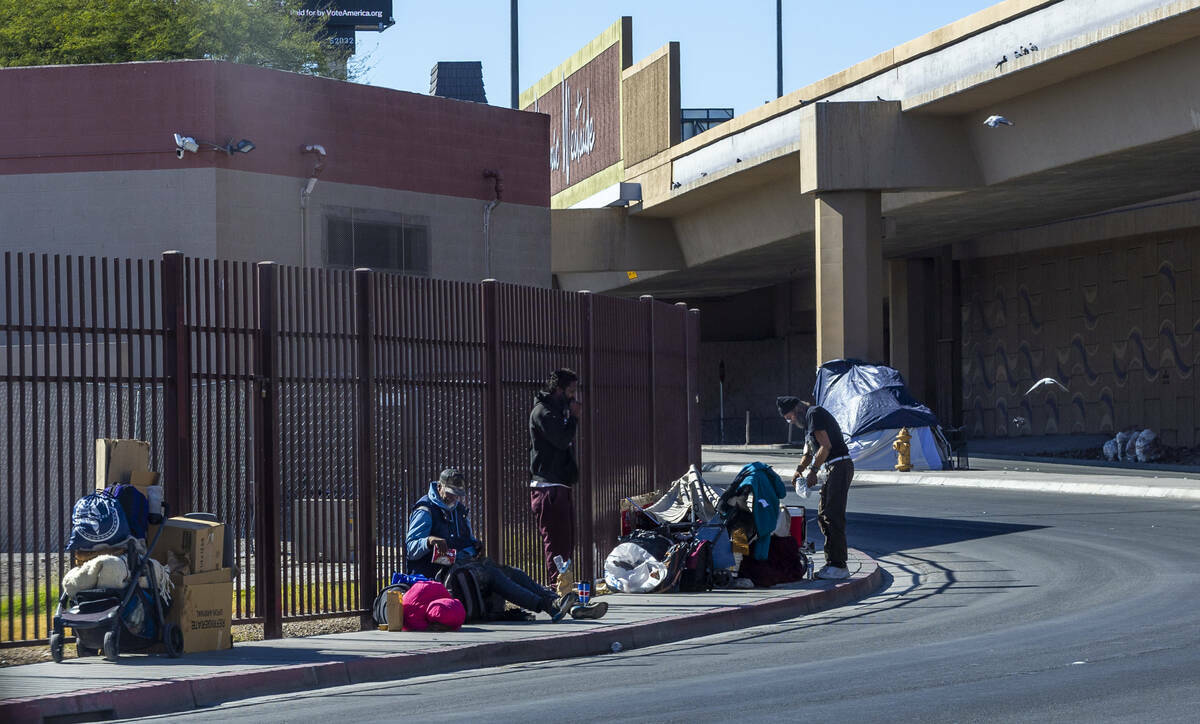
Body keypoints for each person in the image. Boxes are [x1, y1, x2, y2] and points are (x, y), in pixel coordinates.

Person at [406, 468, 607, 621]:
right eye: (450, 492)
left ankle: (561, 603)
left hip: (465, 564)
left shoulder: (459, 510)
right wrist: (429, 540)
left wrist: (475, 545)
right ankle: (550, 606)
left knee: (511, 572)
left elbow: (465, 540)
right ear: (439, 487)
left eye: (458, 494)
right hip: (440, 574)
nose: (454, 498)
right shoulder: (426, 511)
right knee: (494, 575)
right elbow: (411, 548)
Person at [777, 396, 854, 580]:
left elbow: (825, 447)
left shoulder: (814, 414)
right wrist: (798, 472)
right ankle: (832, 563)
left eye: (790, 418)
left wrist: (813, 471)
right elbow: (809, 452)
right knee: (823, 515)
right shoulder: (808, 425)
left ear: (797, 409)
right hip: (831, 468)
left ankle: (839, 565)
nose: (791, 421)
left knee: (832, 515)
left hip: (839, 465)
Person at [529, 368, 581, 585]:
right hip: (548, 488)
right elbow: (560, 440)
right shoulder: (543, 412)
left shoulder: (557, 413)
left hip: (560, 485)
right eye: (570, 390)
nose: (573, 396)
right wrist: (575, 419)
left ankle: (565, 585)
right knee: (556, 543)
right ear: (558, 389)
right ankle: (557, 587)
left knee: (567, 543)